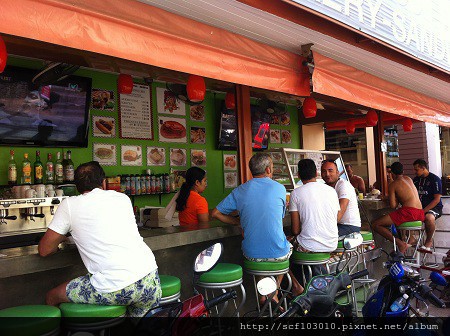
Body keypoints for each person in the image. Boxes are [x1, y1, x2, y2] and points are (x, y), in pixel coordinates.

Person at [38, 161, 161, 318]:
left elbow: (44, 250)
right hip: (150, 280)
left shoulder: (69, 204)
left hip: (114, 287)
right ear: (104, 182)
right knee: (143, 329)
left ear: (77, 187)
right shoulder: (122, 198)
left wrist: (63, 237)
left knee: (52, 296)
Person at [211, 153, 302, 300]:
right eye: (272, 168)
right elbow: (277, 216)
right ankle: (275, 290)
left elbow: (215, 213)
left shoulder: (240, 190)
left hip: (252, 257)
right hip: (278, 257)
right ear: (267, 170)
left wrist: (237, 222)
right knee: (285, 247)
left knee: (258, 251)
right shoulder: (280, 189)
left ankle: (263, 293)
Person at [289, 159, 340, 283]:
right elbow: (336, 216)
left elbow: (295, 230)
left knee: (285, 248)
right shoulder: (331, 191)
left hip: (309, 246)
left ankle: (297, 286)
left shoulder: (296, 193)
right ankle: (317, 281)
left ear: (299, 176)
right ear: (317, 173)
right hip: (332, 243)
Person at [372, 162, 424, 253]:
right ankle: (410, 238)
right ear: (403, 171)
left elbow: (393, 205)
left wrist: (386, 198)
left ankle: (400, 243)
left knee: (376, 224)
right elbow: (405, 195)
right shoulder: (408, 179)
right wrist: (388, 197)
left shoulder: (393, 184)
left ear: (391, 173)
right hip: (420, 212)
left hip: (409, 213)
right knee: (395, 219)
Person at [321, 160, 361, 236]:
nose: (327, 174)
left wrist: (324, 227)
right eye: (324, 171)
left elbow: (340, 213)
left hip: (349, 226)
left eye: (330, 171)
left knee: (320, 236)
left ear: (337, 172)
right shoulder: (324, 187)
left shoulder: (343, 185)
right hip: (337, 225)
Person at [413, 159, 444, 250]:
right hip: (419, 208)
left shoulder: (435, 179)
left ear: (423, 168)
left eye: (416, 169)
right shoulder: (416, 180)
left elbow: (437, 200)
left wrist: (423, 211)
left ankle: (429, 240)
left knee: (429, 218)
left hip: (434, 208)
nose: (415, 172)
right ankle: (410, 239)